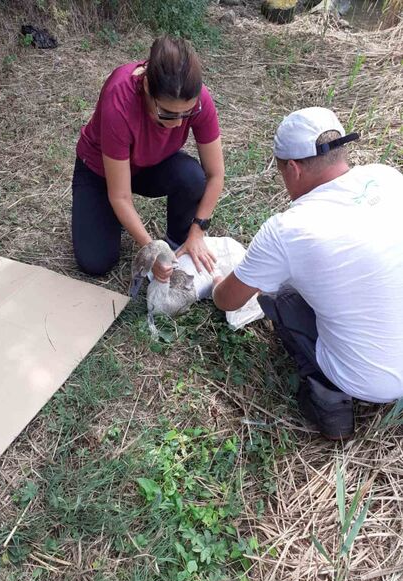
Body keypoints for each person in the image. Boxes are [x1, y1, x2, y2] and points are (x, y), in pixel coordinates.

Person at [213, 107, 403, 440]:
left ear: (294, 168)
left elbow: (228, 301)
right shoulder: (388, 177)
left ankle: (328, 393)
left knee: (280, 296)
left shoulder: (288, 230)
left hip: (374, 381)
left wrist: (218, 283)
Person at [72, 35, 224, 282]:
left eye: (186, 114)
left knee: (191, 177)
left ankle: (177, 242)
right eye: (167, 113)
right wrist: (150, 249)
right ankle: (107, 215)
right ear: (146, 89)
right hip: (99, 172)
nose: (177, 123)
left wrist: (197, 230)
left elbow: (215, 174)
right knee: (95, 262)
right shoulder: (118, 101)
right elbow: (119, 195)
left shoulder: (199, 101)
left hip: (149, 166)